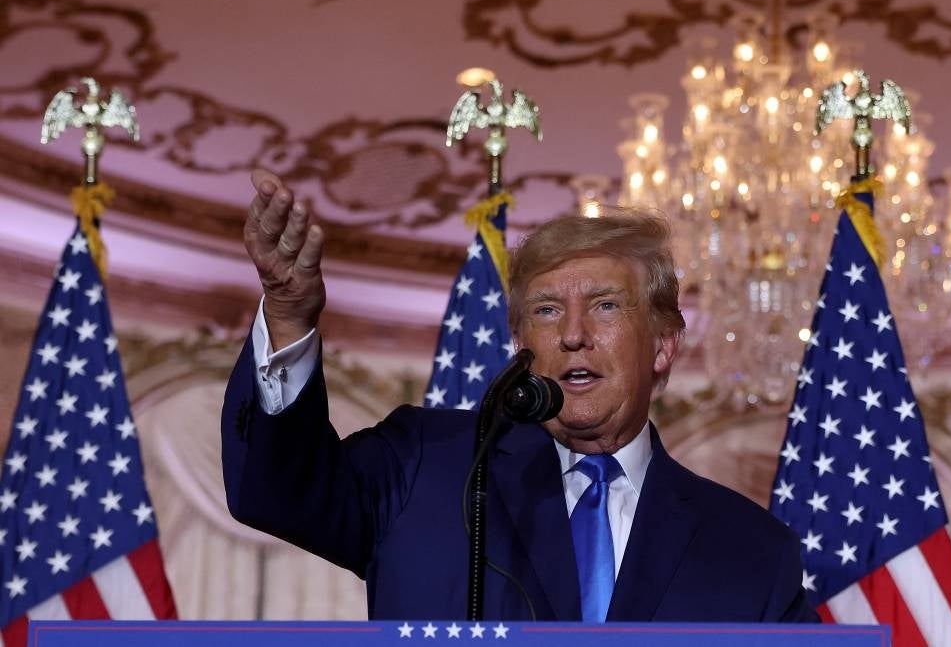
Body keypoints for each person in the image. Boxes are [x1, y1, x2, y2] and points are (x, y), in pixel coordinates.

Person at [222, 169, 818, 622]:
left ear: (663, 346)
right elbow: (278, 492)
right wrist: (288, 314)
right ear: (520, 342)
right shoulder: (423, 463)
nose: (574, 333)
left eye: (606, 306)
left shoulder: (752, 550)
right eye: (547, 310)